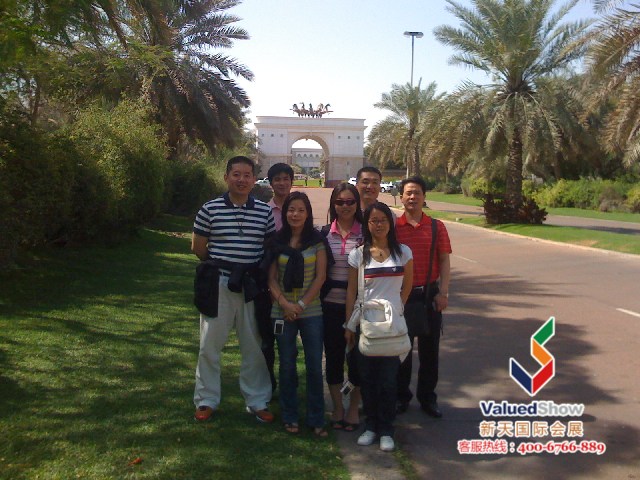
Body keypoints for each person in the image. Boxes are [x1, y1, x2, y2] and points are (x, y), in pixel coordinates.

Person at [191, 155, 275, 423]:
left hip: (251, 286)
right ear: (226, 177)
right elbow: (198, 247)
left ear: (254, 179)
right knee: (210, 344)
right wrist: (223, 266)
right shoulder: (210, 209)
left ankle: (257, 400)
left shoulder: (264, 212)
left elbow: (268, 248)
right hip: (219, 284)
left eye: (247, 175)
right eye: (236, 174)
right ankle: (206, 400)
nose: (242, 180)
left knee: (253, 345)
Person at [345, 202, 414, 452]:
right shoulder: (358, 255)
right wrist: (349, 326)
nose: (378, 225)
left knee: (388, 380)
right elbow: (351, 292)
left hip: (392, 326)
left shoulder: (403, 252)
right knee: (367, 379)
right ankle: (371, 426)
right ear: (367, 225)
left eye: (383, 220)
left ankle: (386, 429)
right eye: (373, 221)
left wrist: (397, 307)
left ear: (390, 223)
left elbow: (408, 285)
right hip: (366, 325)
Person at [267, 191, 328, 436]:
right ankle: (289, 415)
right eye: (291, 210)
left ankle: (316, 418)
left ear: (308, 213)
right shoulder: (276, 241)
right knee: (287, 364)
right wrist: (285, 304)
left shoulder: (317, 241)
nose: (295, 214)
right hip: (281, 311)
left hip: (311, 311)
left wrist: (300, 305)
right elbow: (271, 278)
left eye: (301, 210)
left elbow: (320, 277)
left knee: (313, 364)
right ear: (285, 213)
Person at [395, 176, 451, 418]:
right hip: (402, 298)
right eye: (408, 193)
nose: (412, 197)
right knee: (401, 352)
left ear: (424, 196)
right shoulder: (393, 227)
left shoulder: (437, 227)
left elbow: (444, 260)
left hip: (429, 296)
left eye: (417, 192)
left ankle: (428, 397)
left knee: (430, 352)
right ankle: (401, 397)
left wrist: (443, 292)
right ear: (401, 197)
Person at [321, 182, 364, 432]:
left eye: (350, 202)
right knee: (334, 359)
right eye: (340, 202)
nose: (345, 206)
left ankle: (354, 408)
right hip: (330, 306)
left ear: (357, 204)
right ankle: (338, 408)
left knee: (358, 360)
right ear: (333, 204)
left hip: (360, 308)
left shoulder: (366, 234)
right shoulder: (323, 233)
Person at [254, 162, 294, 393]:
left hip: (295, 286)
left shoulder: (300, 209)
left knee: (290, 344)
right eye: (277, 179)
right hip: (266, 284)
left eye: (285, 178)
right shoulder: (262, 212)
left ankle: (290, 387)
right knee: (266, 339)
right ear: (270, 183)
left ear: (291, 181)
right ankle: (267, 385)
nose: (281, 183)